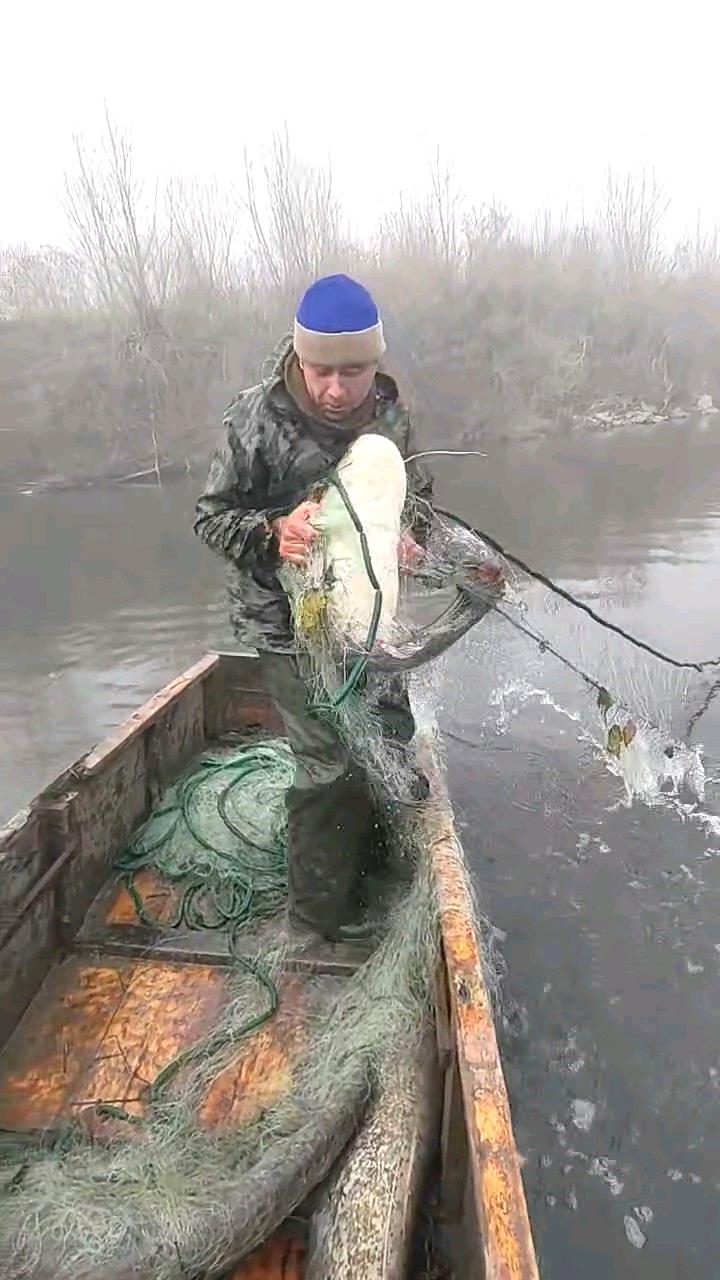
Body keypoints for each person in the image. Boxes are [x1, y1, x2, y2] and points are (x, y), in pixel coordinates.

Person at [194, 274, 432, 942]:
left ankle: (384, 877)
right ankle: (316, 921)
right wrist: (273, 533)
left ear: (375, 363)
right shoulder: (255, 417)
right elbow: (212, 519)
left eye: (351, 372)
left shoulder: (392, 416)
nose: (335, 389)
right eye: (320, 370)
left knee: (388, 742)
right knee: (329, 763)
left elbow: (421, 499)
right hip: (286, 625)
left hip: (371, 621)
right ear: (300, 359)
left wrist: (414, 537)